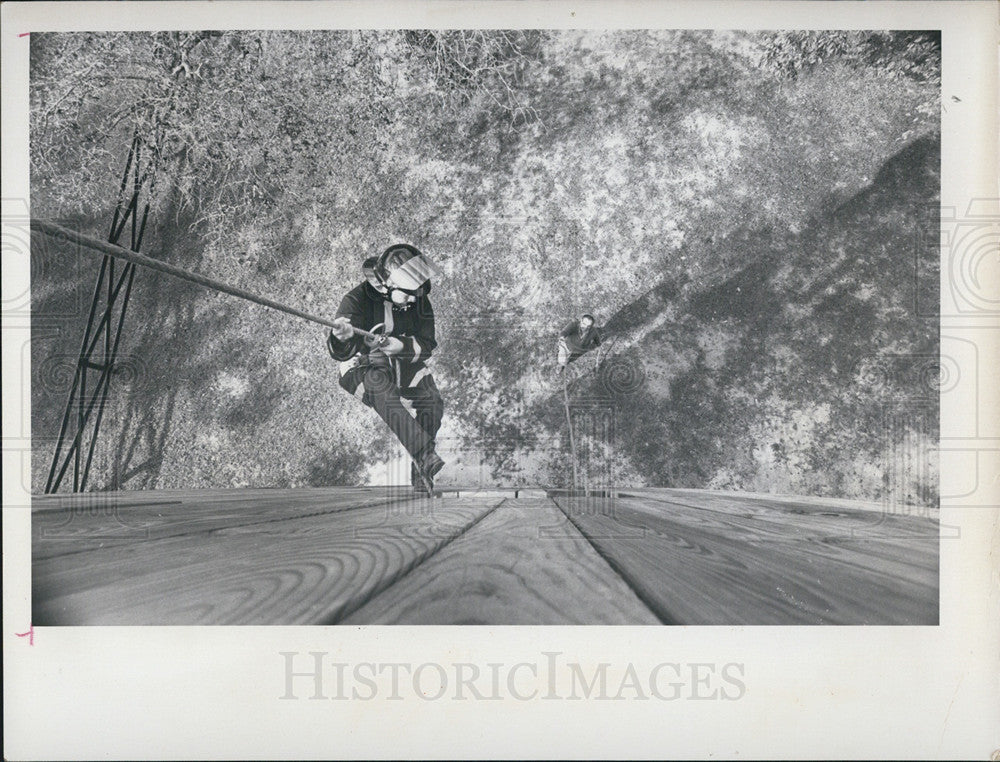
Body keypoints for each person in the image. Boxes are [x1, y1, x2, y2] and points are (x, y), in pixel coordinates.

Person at [327, 244, 445, 493]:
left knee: (432, 401)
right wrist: (342, 337)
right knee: (382, 391)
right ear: (387, 285)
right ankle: (424, 455)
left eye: (417, 292)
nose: (414, 298)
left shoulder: (418, 299)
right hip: (363, 365)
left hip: (402, 362)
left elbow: (426, 345)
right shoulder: (355, 300)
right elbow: (339, 352)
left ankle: (421, 476)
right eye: (407, 293)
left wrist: (399, 345)